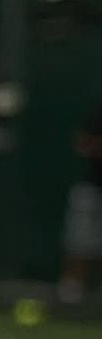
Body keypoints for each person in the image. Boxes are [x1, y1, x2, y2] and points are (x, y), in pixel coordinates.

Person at [58, 102, 102, 303]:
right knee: (79, 242)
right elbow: (82, 143)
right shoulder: (98, 112)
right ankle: (70, 294)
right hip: (92, 187)